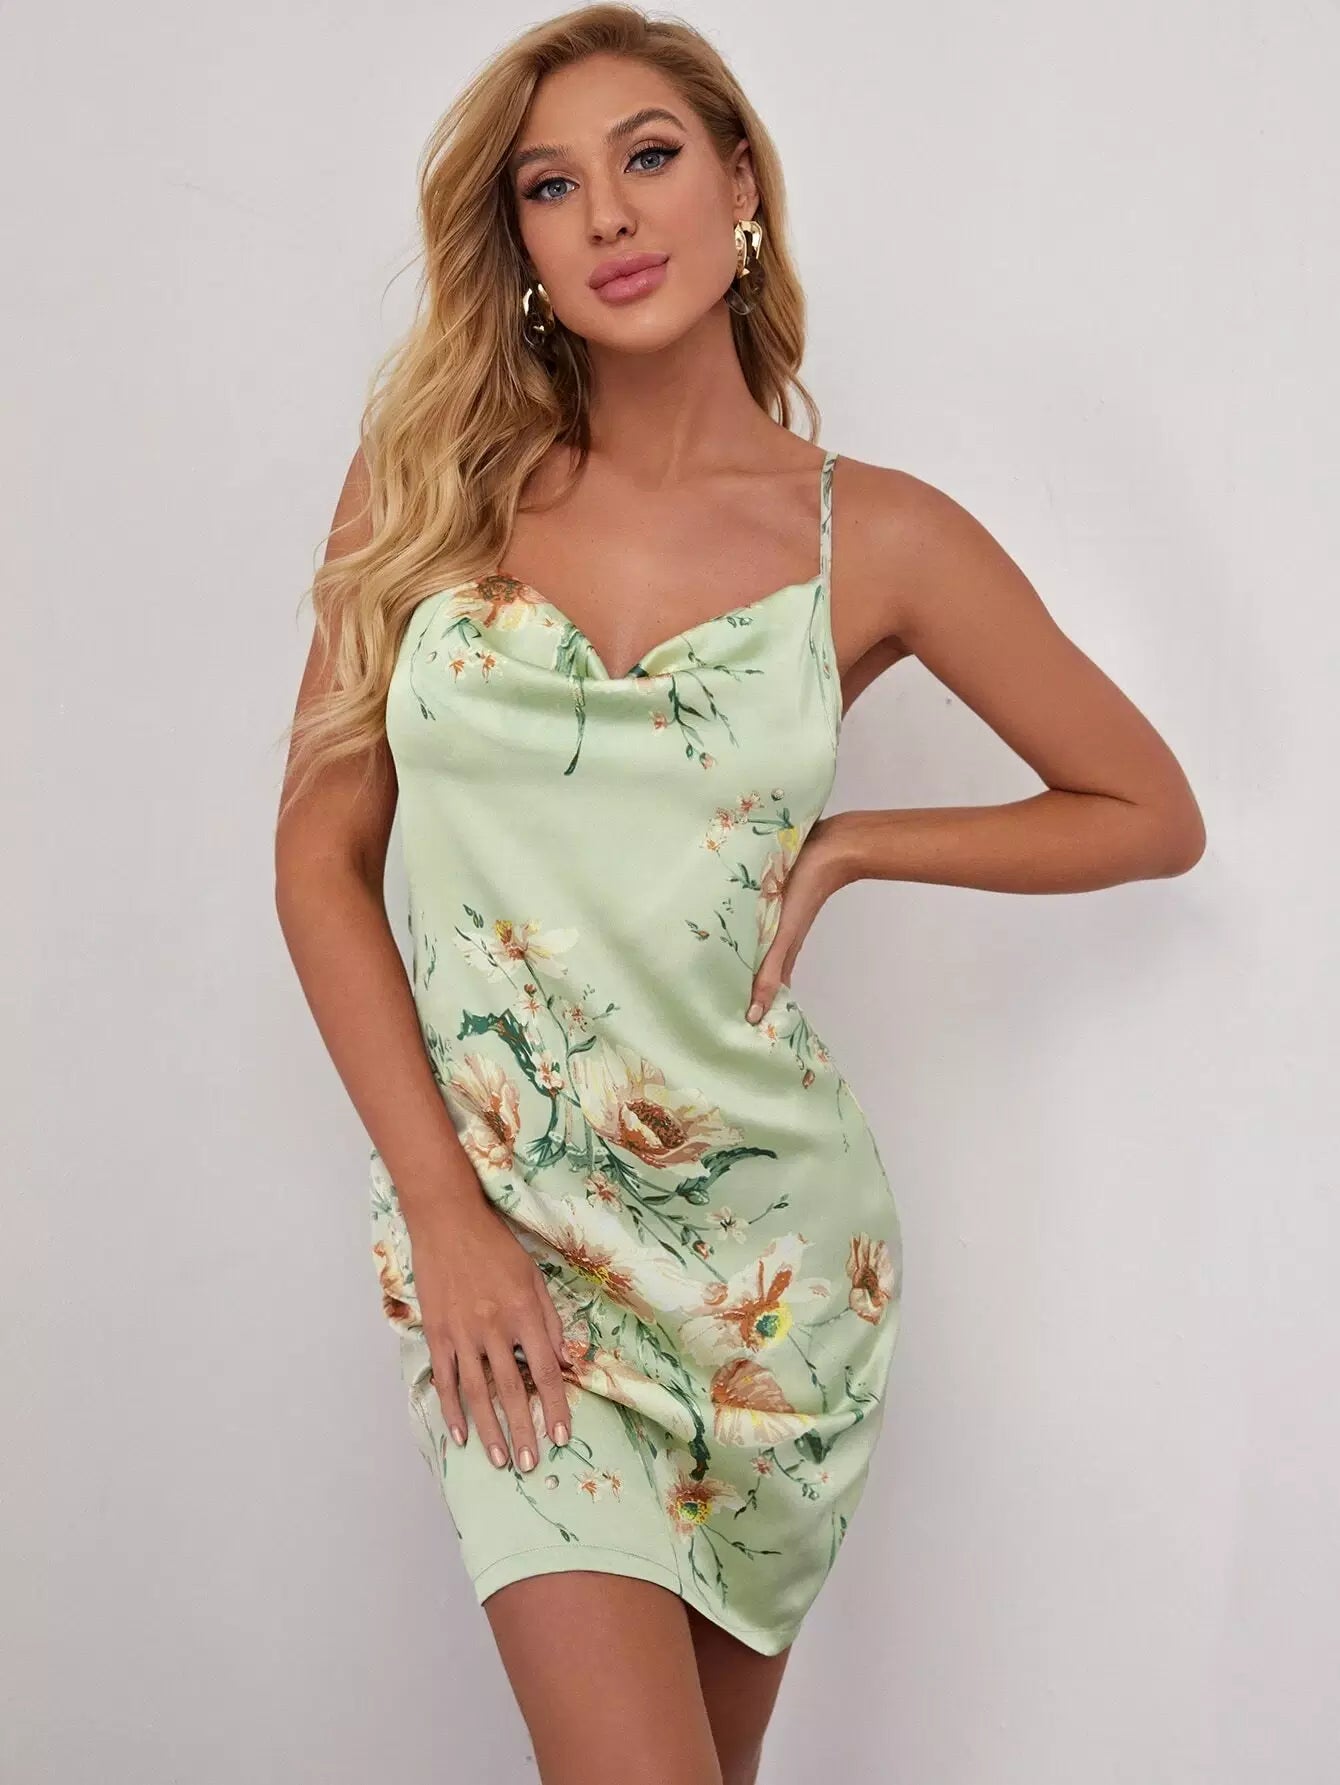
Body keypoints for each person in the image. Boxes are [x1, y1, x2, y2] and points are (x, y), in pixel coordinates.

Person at [273, 7, 1205, 1781]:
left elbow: (1148, 808)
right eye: (552, 187)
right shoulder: (427, 488)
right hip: (504, 1240)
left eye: (649, 157)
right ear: (519, 244)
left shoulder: (878, 537)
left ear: (740, 185)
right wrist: (445, 1214)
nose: (610, 214)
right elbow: (317, 857)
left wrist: (860, 844)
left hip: (769, 1265)